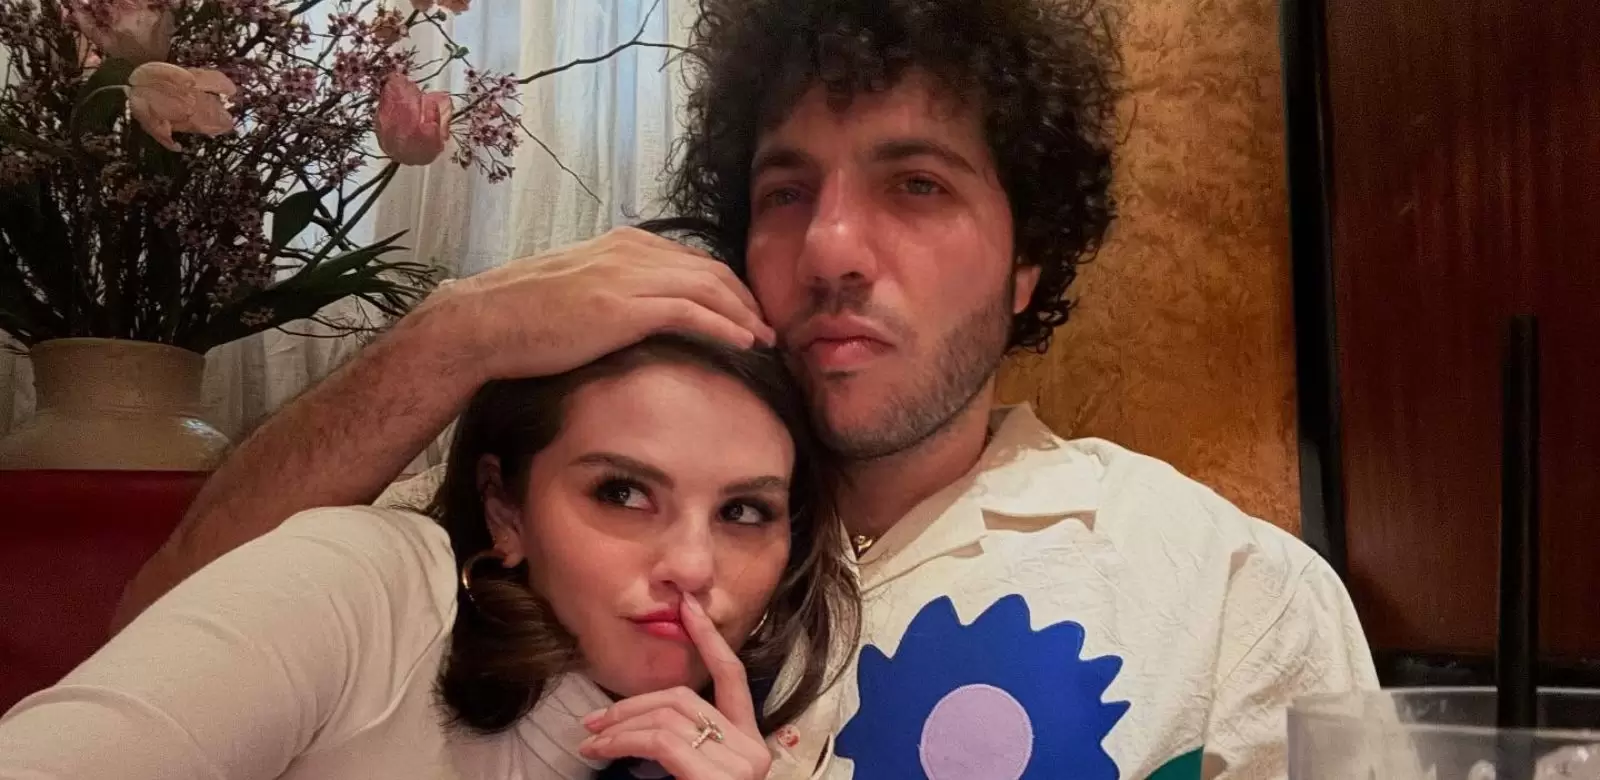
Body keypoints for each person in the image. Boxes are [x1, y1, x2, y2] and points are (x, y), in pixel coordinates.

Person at [114, 0, 1380, 776]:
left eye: (916, 185)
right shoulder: (551, 507)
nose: (829, 247)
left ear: (1024, 261)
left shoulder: (1226, 591)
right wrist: (452, 337)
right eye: (785, 191)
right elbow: (157, 648)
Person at [0, 335, 859, 780]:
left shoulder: (756, 745)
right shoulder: (363, 591)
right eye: (623, 493)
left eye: (744, 511)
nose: (693, 566)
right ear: (505, 508)